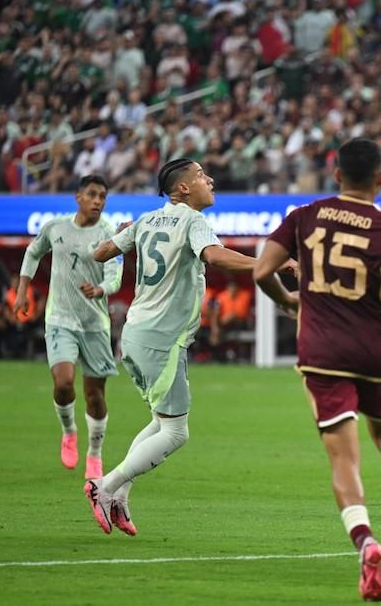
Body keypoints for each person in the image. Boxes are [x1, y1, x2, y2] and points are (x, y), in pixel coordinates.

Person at [254, 139, 381, 602]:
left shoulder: (304, 215)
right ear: (380, 179)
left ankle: (366, 542)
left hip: (321, 351)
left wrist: (288, 301)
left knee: (343, 456)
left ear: (336, 174)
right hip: (374, 350)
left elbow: (261, 272)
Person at [85, 159, 258, 537]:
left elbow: (100, 253)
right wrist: (269, 264)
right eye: (200, 176)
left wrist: (123, 234)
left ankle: (120, 495)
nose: (209, 179)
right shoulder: (193, 221)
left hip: (135, 334)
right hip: (161, 338)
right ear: (182, 189)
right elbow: (215, 256)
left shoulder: (146, 220)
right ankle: (105, 486)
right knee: (177, 433)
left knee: (161, 422)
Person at [15, 175, 122, 478]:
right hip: (59, 319)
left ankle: (95, 453)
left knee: (95, 396)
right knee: (63, 383)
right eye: (92, 194)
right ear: (78, 196)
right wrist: (23, 290)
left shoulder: (108, 233)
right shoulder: (56, 227)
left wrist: (101, 289)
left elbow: (115, 275)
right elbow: (33, 252)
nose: (98, 201)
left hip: (94, 324)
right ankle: (69, 431)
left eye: (103, 196)